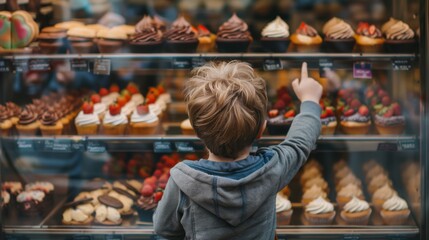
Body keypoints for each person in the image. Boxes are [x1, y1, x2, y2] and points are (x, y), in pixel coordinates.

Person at [153, 61, 323, 239]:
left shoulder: (182, 181)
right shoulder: (273, 168)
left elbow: (164, 229)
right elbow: (299, 142)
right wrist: (310, 101)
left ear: (197, 131)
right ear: (261, 130)